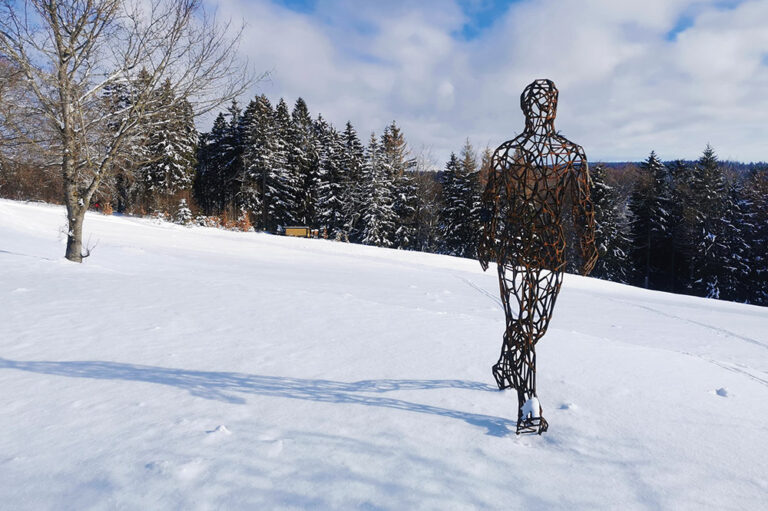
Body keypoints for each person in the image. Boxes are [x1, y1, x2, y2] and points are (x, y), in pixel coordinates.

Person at [478, 79, 598, 435]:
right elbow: (490, 204)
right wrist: (486, 240)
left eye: (546, 103)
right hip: (513, 249)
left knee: (535, 326)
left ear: (554, 108)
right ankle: (528, 405)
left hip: (550, 251)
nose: (541, 110)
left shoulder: (571, 155)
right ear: (525, 108)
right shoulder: (505, 154)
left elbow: (582, 207)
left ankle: (505, 365)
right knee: (522, 325)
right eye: (536, 104)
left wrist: (588, 245)